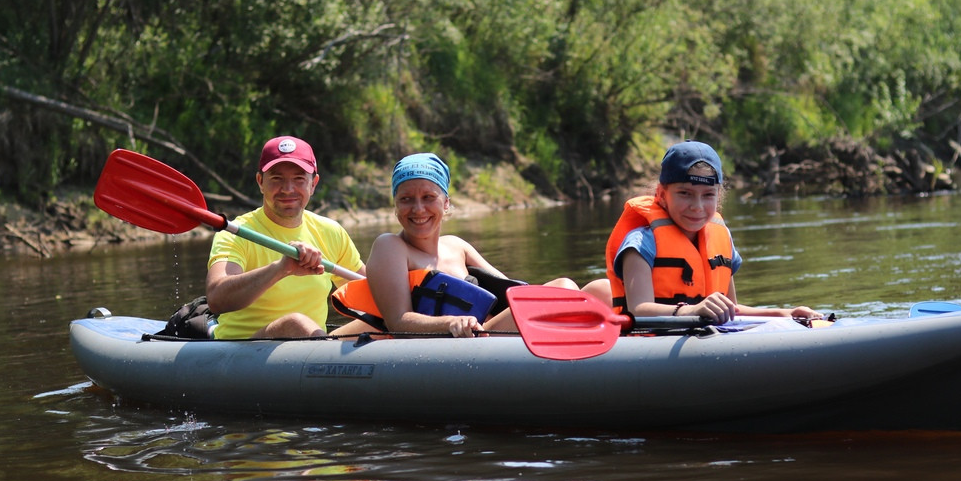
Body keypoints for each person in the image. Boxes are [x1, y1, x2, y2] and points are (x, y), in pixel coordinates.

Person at [333, 152, 579, 338]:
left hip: (489, 333)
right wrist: (450, 322)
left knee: (582, 287)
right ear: (395, 205)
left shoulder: (457, 246)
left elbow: (513, 295)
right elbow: (398, 322)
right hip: (467, 342)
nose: (418, 209)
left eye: (428, 197)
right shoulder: (391, 246)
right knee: (562, 289)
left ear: (446, 203)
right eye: (406, 199)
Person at [584, 140, 821, 325]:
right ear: (662, 195)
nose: (697, 206)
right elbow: (639, 309)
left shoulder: (721, 239)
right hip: (646, 340)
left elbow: (731, 309)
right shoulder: (641, 243)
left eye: (708, 195)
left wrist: (784, 313)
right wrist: (692, 310)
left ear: (719, 196)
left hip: (693, 333)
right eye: (685, 194)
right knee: (596, 291)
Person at [205, 135, 366, 339]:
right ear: (260, 182)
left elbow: (369, 294)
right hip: (241, 353)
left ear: (313, 184)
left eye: (299, 179)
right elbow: (217, 299)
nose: (288, 189)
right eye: (276, 178)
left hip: (313, 350)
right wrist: (281, 269)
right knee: (294, 324)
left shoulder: (331, 231)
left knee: (386, 320)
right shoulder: (236, 232)